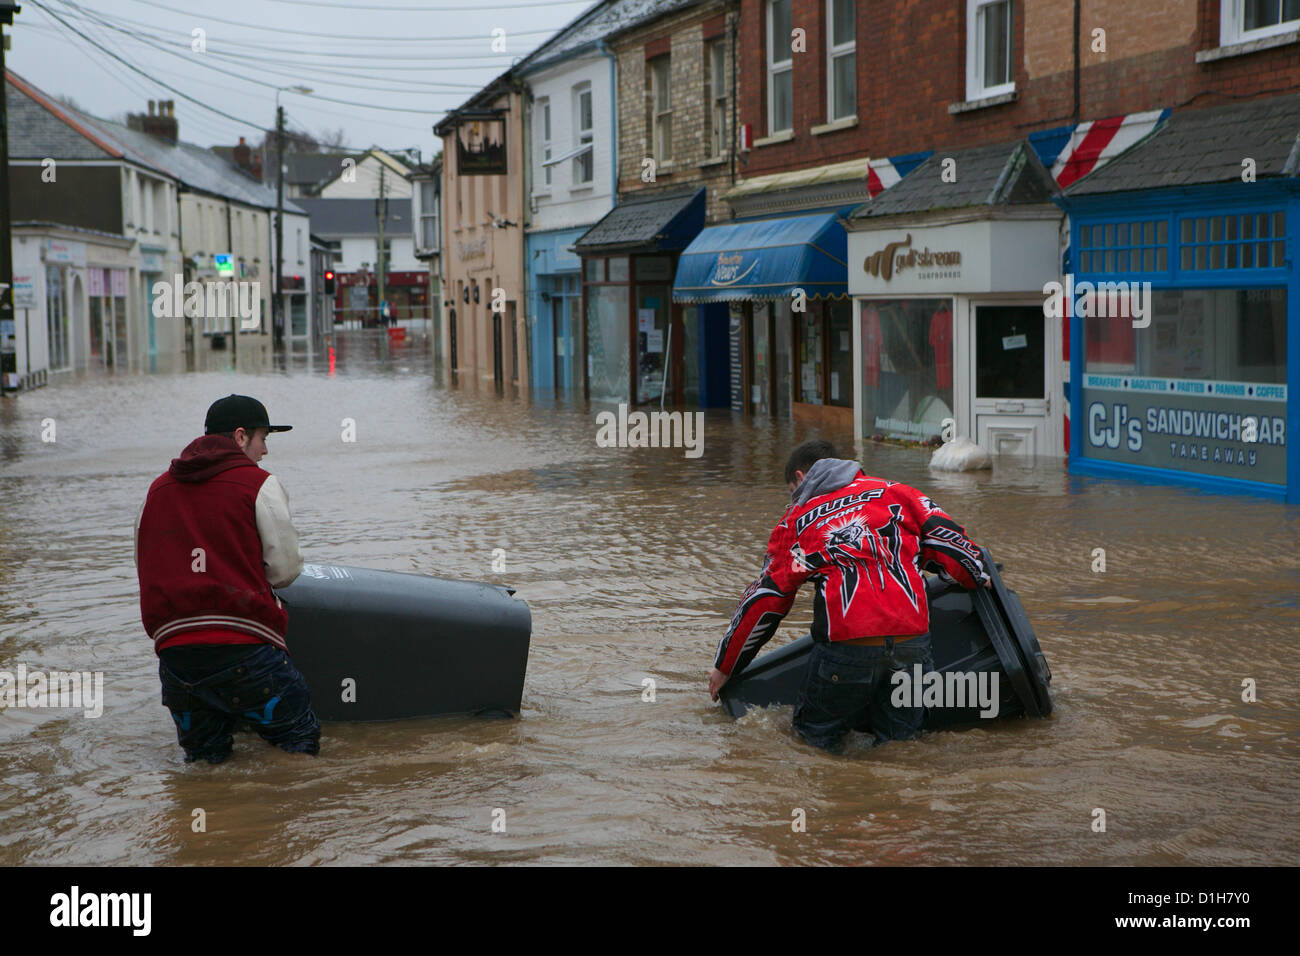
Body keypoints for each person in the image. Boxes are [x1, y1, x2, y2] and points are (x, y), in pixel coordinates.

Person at [709, 439, 990, 753]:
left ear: (800, 479)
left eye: (792, 490)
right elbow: (962, 555)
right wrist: (978, 576)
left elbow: (765, 601)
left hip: (847, 650)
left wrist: (725, 665)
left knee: (813, 744)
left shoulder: (797, 519)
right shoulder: (901, 493)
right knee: (902, 749)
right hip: (913, 647)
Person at [135, 394, 320, 764]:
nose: (265, 450)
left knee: (206, 766)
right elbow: (284, 572)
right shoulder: (259, 485)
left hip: (176, 660)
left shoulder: (155, 491)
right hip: (245, 652)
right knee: (300, 745)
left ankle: (208, 818)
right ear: (240, 437)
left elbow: (145, 566)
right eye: (263, 438)